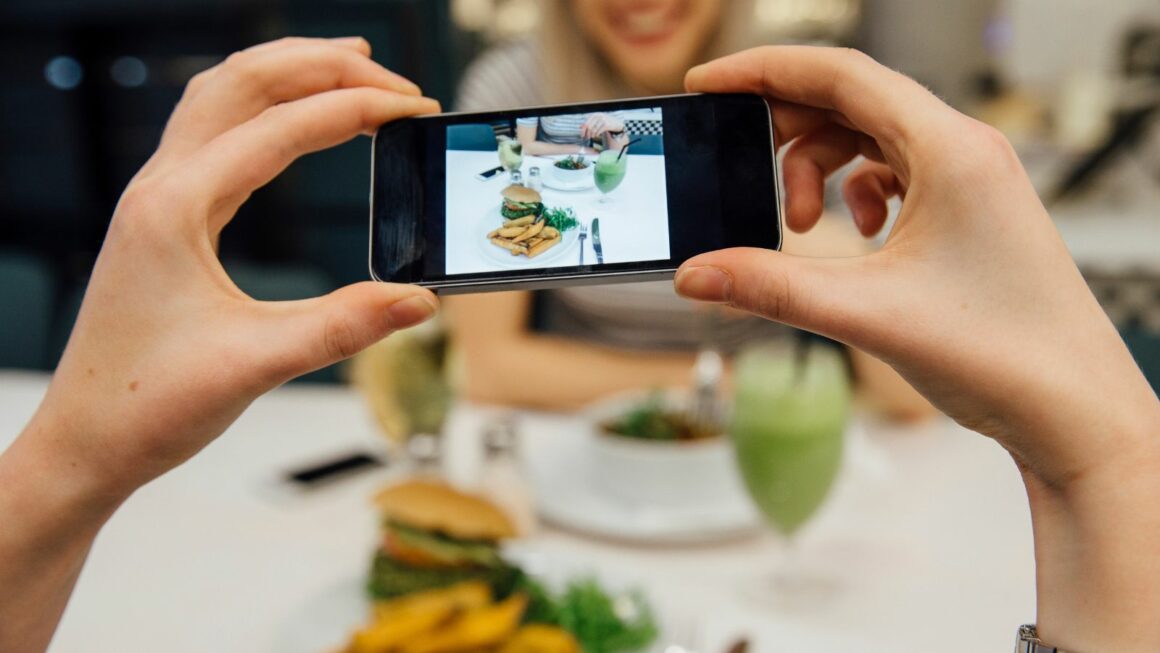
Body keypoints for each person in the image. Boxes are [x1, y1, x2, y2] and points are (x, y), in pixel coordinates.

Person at [0, 37, 1156, 653]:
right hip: (604, 470)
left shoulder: (788, 90)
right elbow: (497, 365)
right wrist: (1110, 462)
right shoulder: (522, 83)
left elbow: (895, 386)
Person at [446, 0, 935, 418]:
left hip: (769, 438)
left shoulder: (813, 86)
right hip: (603, 434)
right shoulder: (514, 89)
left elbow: (910, 397)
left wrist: (822, 246)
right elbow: (486, 368)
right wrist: (720, 385)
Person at [515, 111, 631, 156]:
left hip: (586, 161)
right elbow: (526, 146)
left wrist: (617, 129)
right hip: (544, 157)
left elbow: (617, 154)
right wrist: (579, 150)